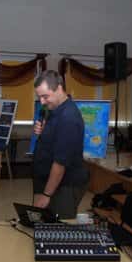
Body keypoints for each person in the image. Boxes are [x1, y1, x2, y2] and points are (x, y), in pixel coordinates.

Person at [32, 70, 89, 219]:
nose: (42, 102)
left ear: (59, 88)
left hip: (64, 186)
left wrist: (46, 194)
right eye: (39, 97)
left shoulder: (69, 118)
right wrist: (43, 130)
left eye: (45, 96)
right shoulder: (54, 108)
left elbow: (60, 163)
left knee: (59, 227)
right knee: (42, 223)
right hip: (48, 181)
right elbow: (53, 139)